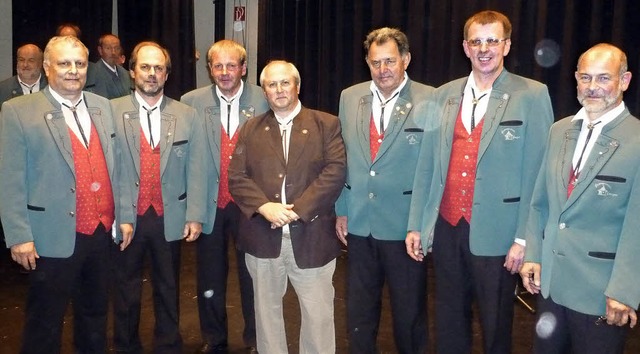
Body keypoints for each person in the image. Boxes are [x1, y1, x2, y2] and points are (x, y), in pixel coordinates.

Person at [406, 10, 554, 354]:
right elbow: (426, 167)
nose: (484, 48)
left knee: (496, 326)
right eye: (477, 41)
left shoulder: (532, 95)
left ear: (506, 45)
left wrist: (524, 239)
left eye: (492, 40)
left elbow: (539, 175)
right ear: (465, 46)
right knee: (449, 322)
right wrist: (417, 224)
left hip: (500, 234)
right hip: (447, 227)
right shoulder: (443, 95)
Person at [520, 43, 640, 354]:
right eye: (585, 78)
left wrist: (625, 290)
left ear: (624, 81)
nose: (592, 87)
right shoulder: (559, 131)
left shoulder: (637, 140)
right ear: (575, 79)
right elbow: (539, 202)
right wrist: (533, 253)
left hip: (600, 292)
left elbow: (637, 225)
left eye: (604, 78)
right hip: (551, 287)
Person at [0, 35, 117, 353]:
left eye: (79, 64)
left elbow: (113, 165)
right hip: (49, 236)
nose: (73, 71)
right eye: (65, 63)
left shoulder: (103, 107)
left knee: (94, 315)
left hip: (100, 232)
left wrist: (121, 218)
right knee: (45, 321)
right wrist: (18, 235)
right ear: (48, 68)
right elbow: (10, 179)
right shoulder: (17, 111)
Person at [228, 60, 346, 354]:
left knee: (318, 317)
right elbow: (236, 177)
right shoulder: (250, 129)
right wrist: (264, 206)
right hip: (262, 237)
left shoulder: (326, 124)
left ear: (297, 85)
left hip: (312, 235)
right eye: (271, 84)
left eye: (285, 83)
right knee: (266, 317)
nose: (279, 90)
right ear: (264, 91)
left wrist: (297, 210)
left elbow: (335, 173)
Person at [334, 27, 433, 353]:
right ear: (367, 62)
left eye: (390, 61)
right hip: (361, 223)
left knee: (409, 315)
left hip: (406, 227)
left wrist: (420, 224)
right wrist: (342, 209)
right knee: (359, 313)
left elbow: (431, 170)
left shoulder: (430, 99)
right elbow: (344, 157)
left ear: (406, 59)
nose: (383, 69)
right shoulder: (350, 97)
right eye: (376, 62)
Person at [111, 41, 207, 353]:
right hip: (127, 216)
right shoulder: (109, 112)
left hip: (170, 216)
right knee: (125, 288)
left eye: (159, 68)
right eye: (145, 67)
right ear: (132, 71)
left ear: (167, 75)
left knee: (168, 286)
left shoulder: (187, 115)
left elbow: (197, 168)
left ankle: (168, 344)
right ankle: (126, 345)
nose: (152, 74)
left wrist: (194, 213)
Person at [181, 39, 268, 354]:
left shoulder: (264, 98)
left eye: (232, 65)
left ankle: (257, 339)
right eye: (218, 65)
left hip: (252, 207)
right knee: (209, 277)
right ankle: (213, 338)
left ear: (244, 68)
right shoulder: (190, 102)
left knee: (254, 276)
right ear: (210, 69)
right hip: (209, 205)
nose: (225, 71)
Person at [87, 34, 131, 99]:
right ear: (100, 50)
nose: (113, 52)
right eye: (108, 48)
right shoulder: (92, 73)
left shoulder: (125, 73)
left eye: (117, 48)